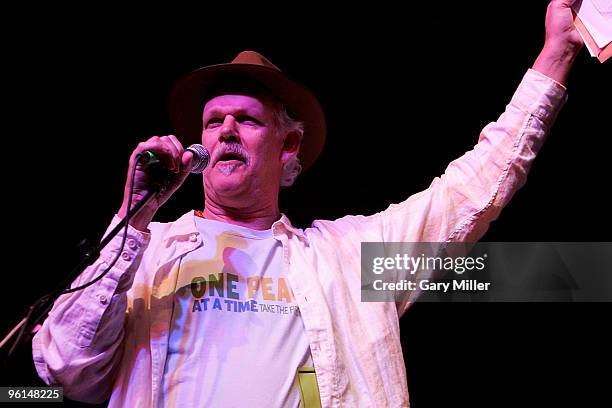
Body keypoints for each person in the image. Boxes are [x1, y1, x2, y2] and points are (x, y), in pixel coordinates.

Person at [32, 1, 583, 406]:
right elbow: (64, 366)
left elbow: (471, 190)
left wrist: (555, 52)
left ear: (287, 144)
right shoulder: (150, 255)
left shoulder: (346, 258)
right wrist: (133, 218)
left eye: (245, 120)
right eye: (211, 122)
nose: (224, 130)